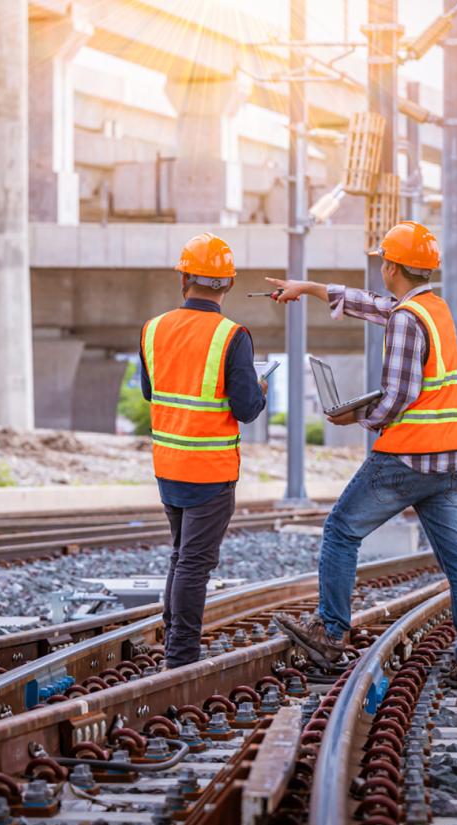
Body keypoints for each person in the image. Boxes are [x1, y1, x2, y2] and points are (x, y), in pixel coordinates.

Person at [264, 220, 457, 691]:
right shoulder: (434, 309)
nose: (380, 269)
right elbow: (378, 307)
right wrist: (308, 288)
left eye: (382, 261)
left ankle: (330, 632)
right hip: (447, 461)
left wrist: (358, 418)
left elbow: (399, 395)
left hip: (406, 458)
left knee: (341, 530)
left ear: (390, 266)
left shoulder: (408, 320)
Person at [140, 233, 268, 669]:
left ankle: (174, 641)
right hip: (209, 471)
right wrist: (260, 386)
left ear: (184, 280)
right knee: (194, 564)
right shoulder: (232, 336)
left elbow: (149, 391)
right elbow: (247, 409)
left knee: (181, 556)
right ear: (227, 285)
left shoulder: (153, 329)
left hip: (168, 466)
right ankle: (180, 659)